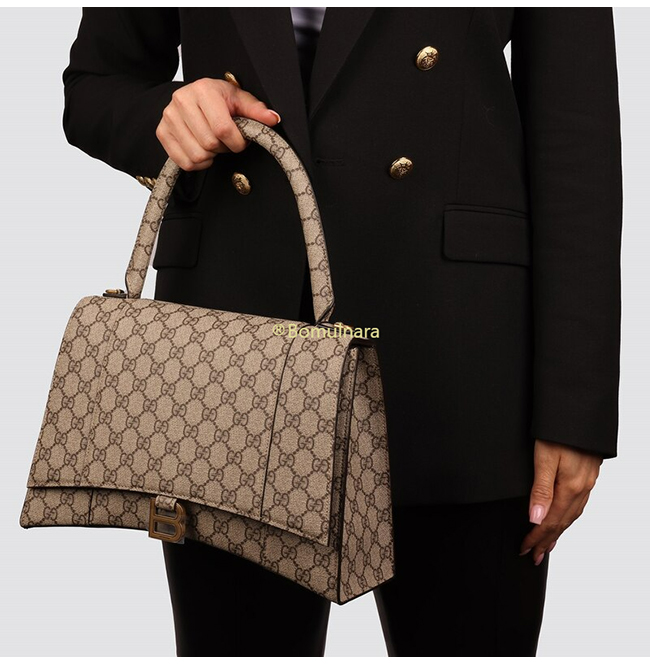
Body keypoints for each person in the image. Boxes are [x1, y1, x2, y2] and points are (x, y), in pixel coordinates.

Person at [61, 8, 622, 657]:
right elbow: (97, 84)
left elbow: (575, 131)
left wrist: (573, 406)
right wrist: (170, 114)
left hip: (457, 350)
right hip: (234, 349)